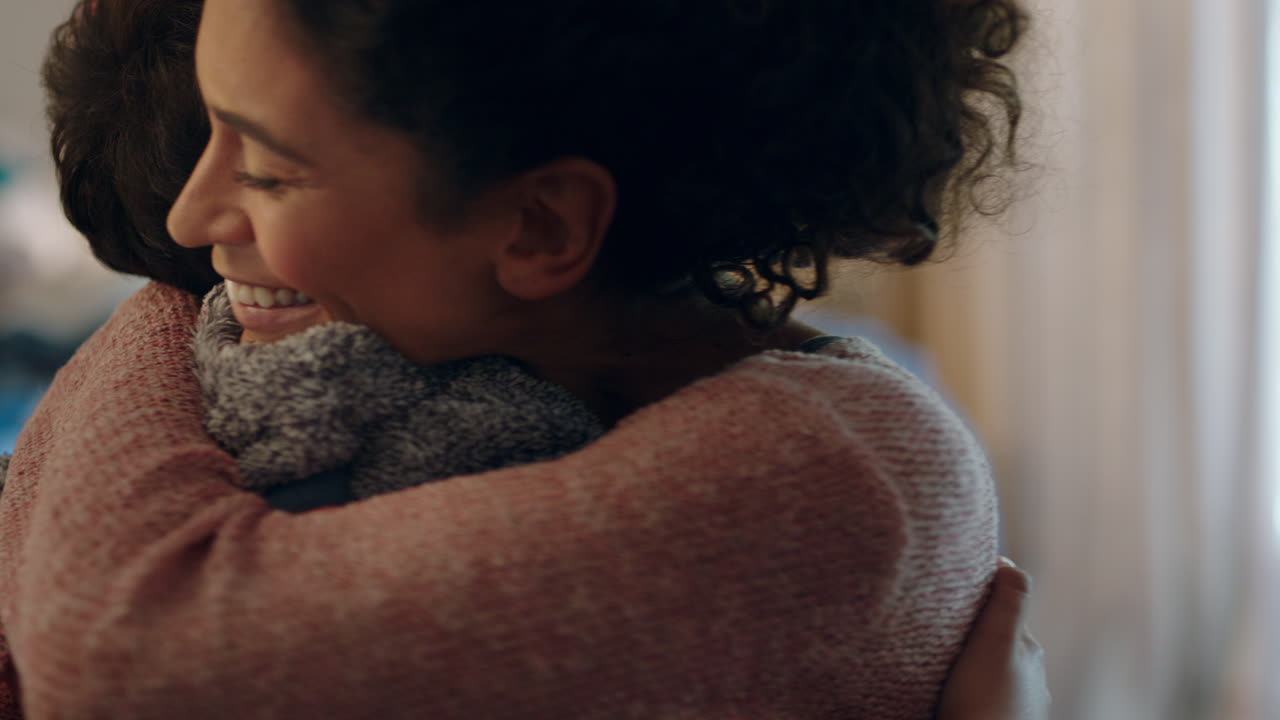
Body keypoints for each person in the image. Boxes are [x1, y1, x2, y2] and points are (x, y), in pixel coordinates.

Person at [0, 0, 1040, 717]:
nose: (187, 216)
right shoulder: (510, 394)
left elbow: (123, 656)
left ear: (540, 226)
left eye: (265, 167)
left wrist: (179, 297)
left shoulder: (824, 473)